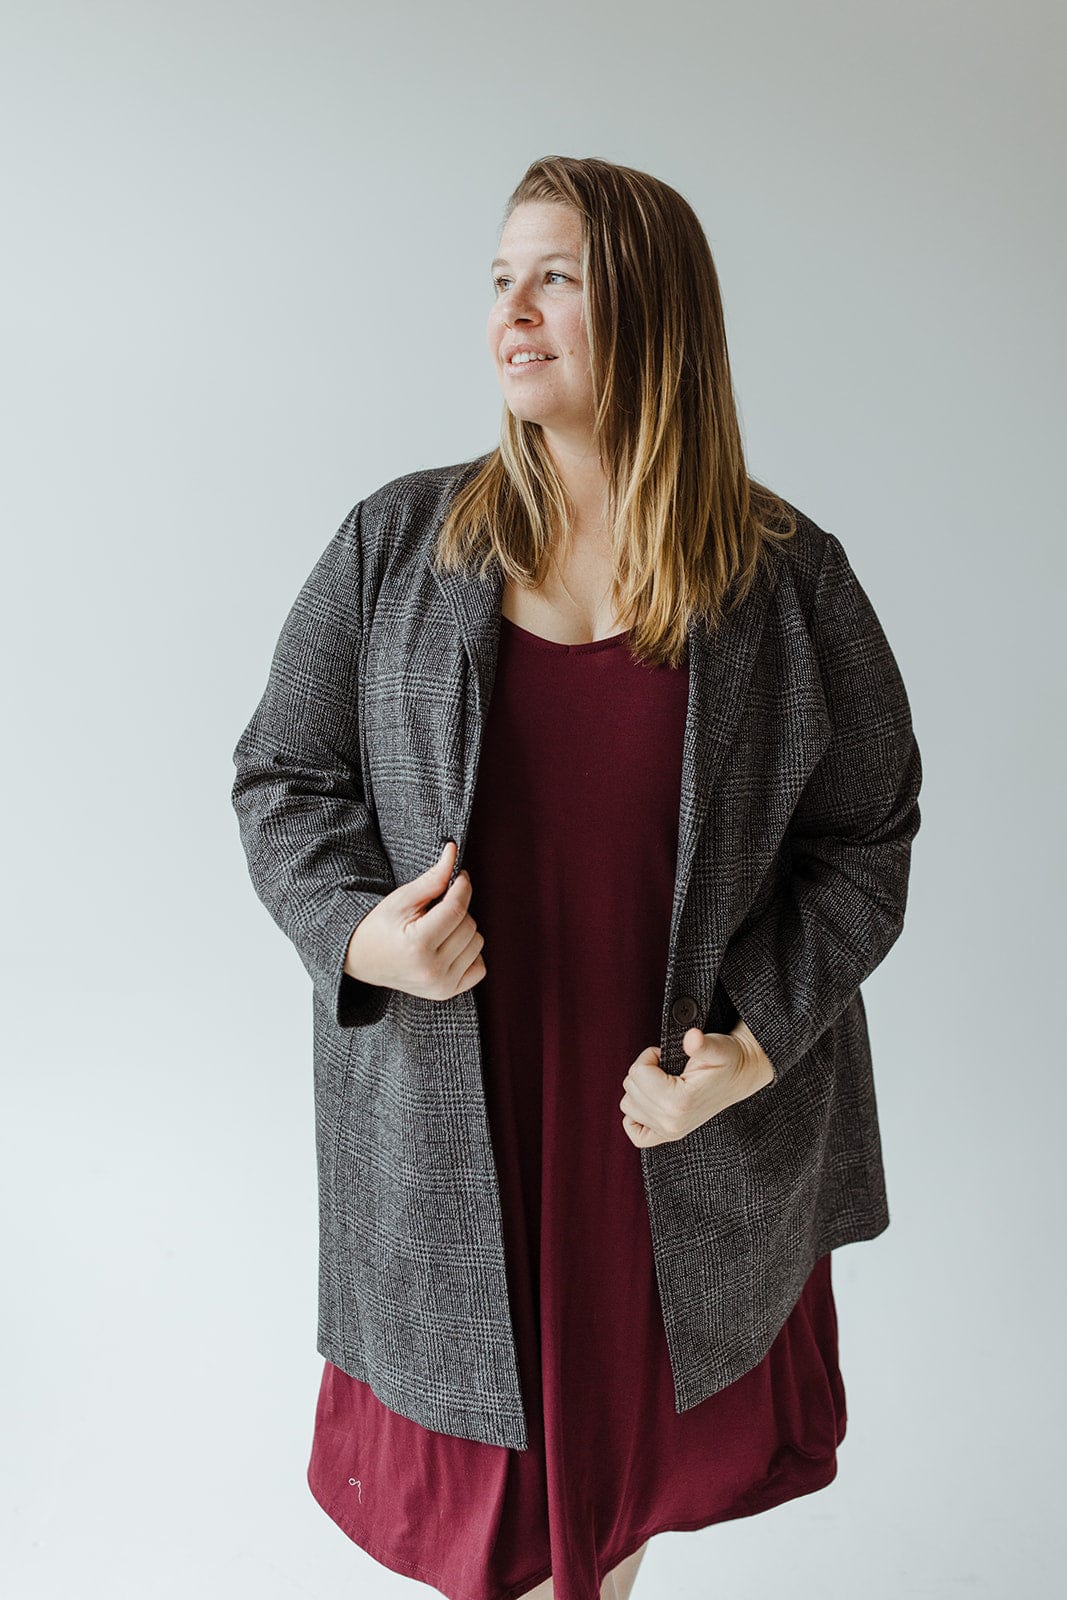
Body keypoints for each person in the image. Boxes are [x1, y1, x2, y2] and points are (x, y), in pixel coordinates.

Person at [230, 154, 923, 1600]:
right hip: (456, 1131)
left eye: (556, 277)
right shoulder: (395, 545)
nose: (512, 314)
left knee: (599, 1547)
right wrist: (365, 937)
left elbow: (866, 839)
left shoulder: (787, 581)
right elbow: (280, 777)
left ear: (654, 310)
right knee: (510, 1548)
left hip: (667, 1132)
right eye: (499, 279)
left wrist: (750, 1047)